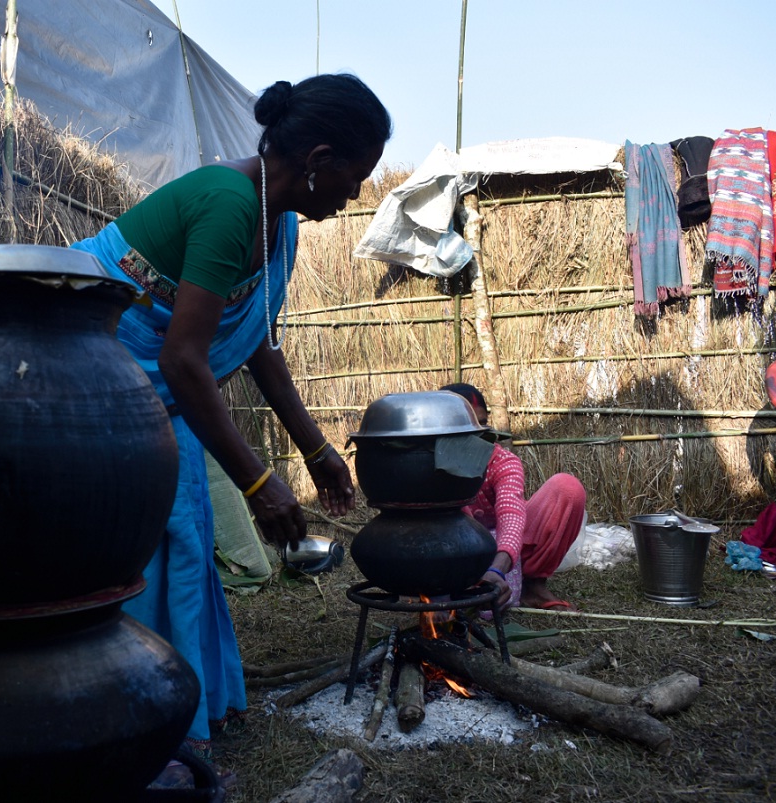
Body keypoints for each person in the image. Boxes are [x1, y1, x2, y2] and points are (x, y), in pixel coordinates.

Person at [70, 75, 392, 778]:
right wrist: (256, 480)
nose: (356, 194)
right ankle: (151, 716)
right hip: (95, 371)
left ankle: (188, 705)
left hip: (153, 387)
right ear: (320, 156)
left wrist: (316, 450)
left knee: (187, 531)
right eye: (356, 176)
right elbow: (184, 361)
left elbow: (257, 347)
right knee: (167, 535)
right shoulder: (228, 205)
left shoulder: (279, 222)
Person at [439, 383, 587, 613]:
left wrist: (498, 568)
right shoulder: (426, 464)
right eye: (464, 425)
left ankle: (534, 586)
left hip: (506, 545)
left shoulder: (502, 461)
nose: (476, 435)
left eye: (482, 424)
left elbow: (511, 515)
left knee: (567, 488)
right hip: (455, 549)